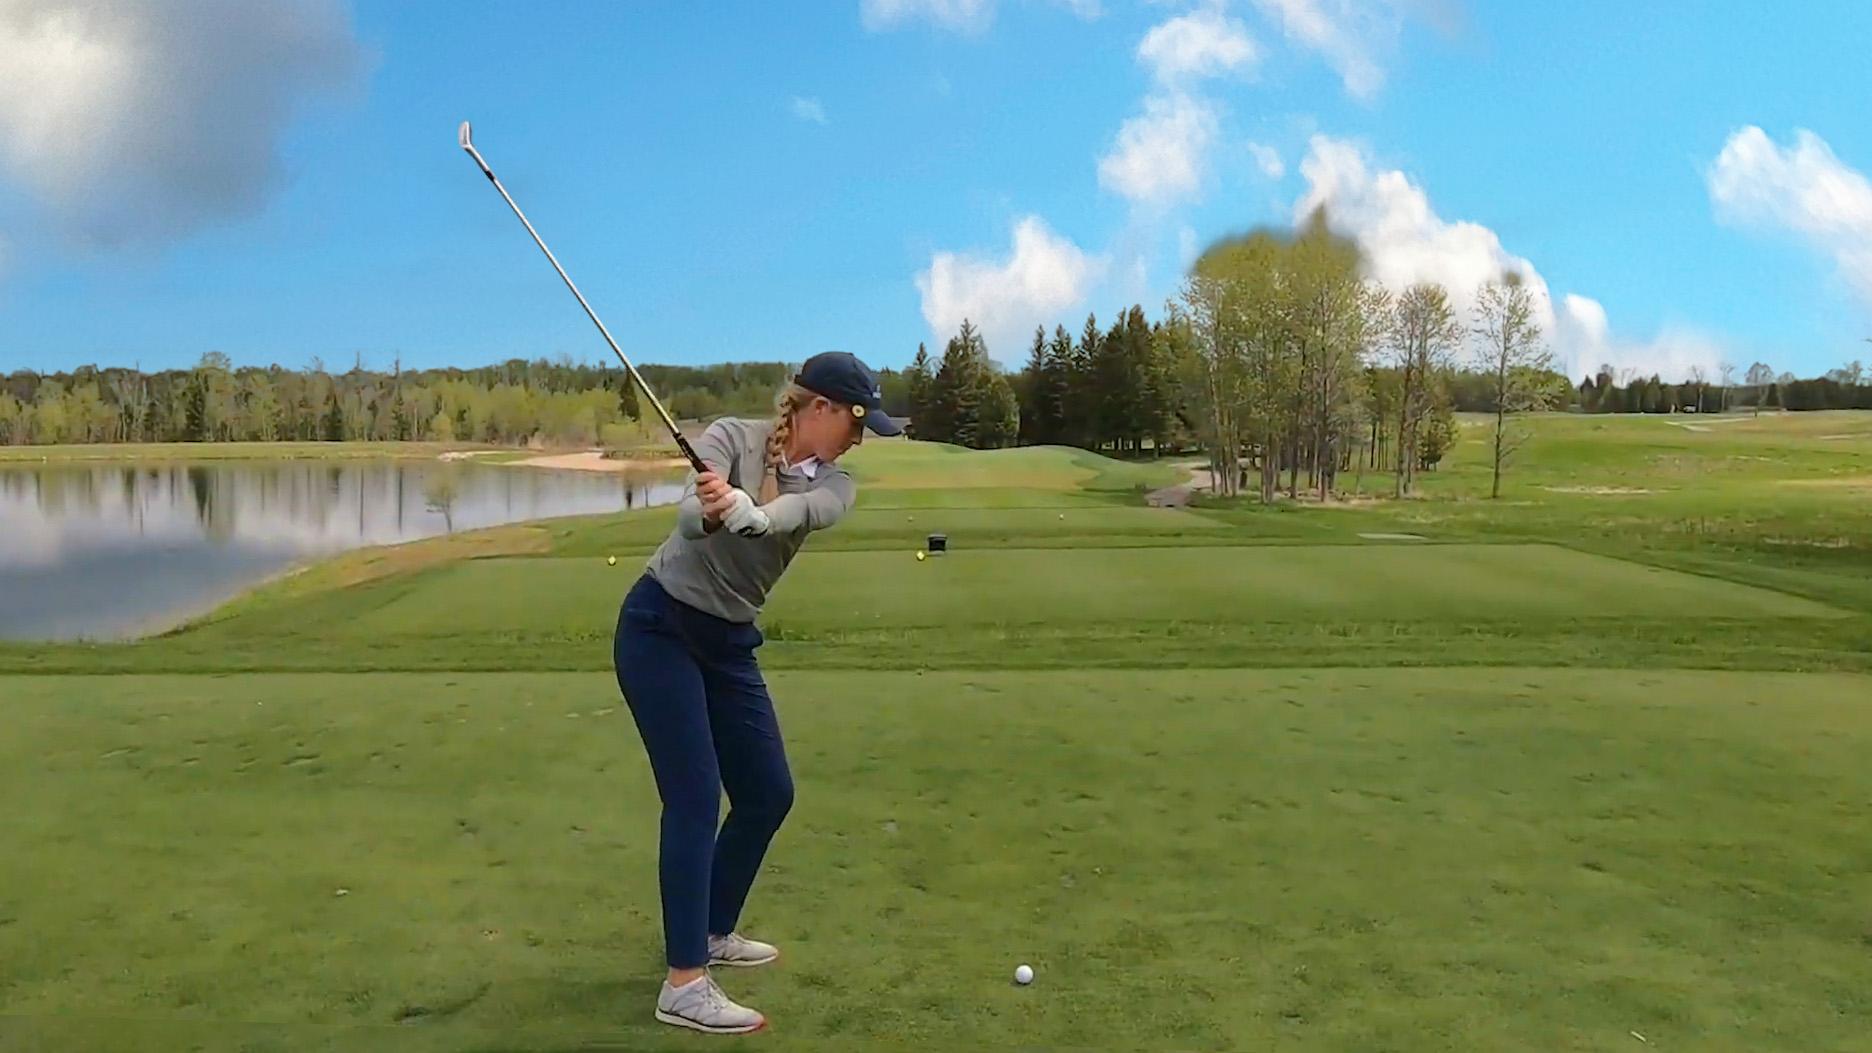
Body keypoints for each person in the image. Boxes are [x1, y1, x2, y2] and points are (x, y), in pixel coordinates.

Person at [611, 351, 902, 1035]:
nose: (859, 440)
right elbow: (686, 520)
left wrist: (754, 512)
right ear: (820, 408)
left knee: (769, 791)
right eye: (856, 424)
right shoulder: (729, 439)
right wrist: (714, 511)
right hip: (660, 626)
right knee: (693, 793)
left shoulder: (837, 484)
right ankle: (683, 983)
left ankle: (709, 931)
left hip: (727, 639)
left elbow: (801, 510)